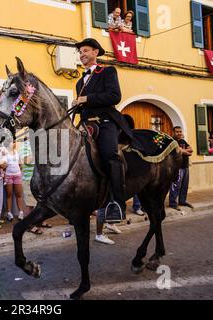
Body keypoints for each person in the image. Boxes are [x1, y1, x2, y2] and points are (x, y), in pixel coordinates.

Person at [74, 38, 141, 222]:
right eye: (80, 52)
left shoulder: (107, 71)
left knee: (111, 157)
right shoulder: (80, 83)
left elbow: (114, 96)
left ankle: (117, 205)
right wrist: (77, 106)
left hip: (105, 122)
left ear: (96, 52)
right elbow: (84, 107)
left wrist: (86, 99)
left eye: (85, 50)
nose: (82, 54)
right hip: (87, 125)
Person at [169, 126, 194, 210]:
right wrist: (185, 151)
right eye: (177, 132)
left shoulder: (183, 141)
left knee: (184, 185)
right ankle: (173, 203)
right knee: (176, 186)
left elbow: (191, 149)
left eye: (180, 131)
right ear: (173, 132)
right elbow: (179, 150)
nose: (179, 133)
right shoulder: (172, 141)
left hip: (185, 166)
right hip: (177, 167)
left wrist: (184, 151)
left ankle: (182, 201)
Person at [4, 140, 25, 221]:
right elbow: (4, 164)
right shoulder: (5, 153)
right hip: (8, 176)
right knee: (9, 195)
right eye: (11, 142)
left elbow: (20, 164)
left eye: (13, 142)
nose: (12, 143)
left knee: (18, 194)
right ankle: (9, 213)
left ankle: (21, 212)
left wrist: (18, 171)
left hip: (17, 175)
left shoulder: (17, 152)